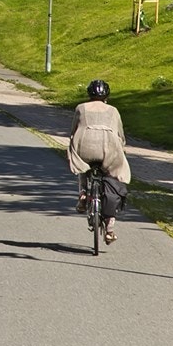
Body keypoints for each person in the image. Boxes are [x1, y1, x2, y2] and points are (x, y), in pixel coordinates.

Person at [67, 79, 131, 243]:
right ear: (107, 95)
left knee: (83, 167)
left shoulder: (81, 108)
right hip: (109, 148)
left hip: (85, 146)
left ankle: (82, 195)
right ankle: (110, 229)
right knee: (114, 179)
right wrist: (120, 148)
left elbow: (73, 131)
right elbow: (120, 135)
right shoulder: (113, 111)